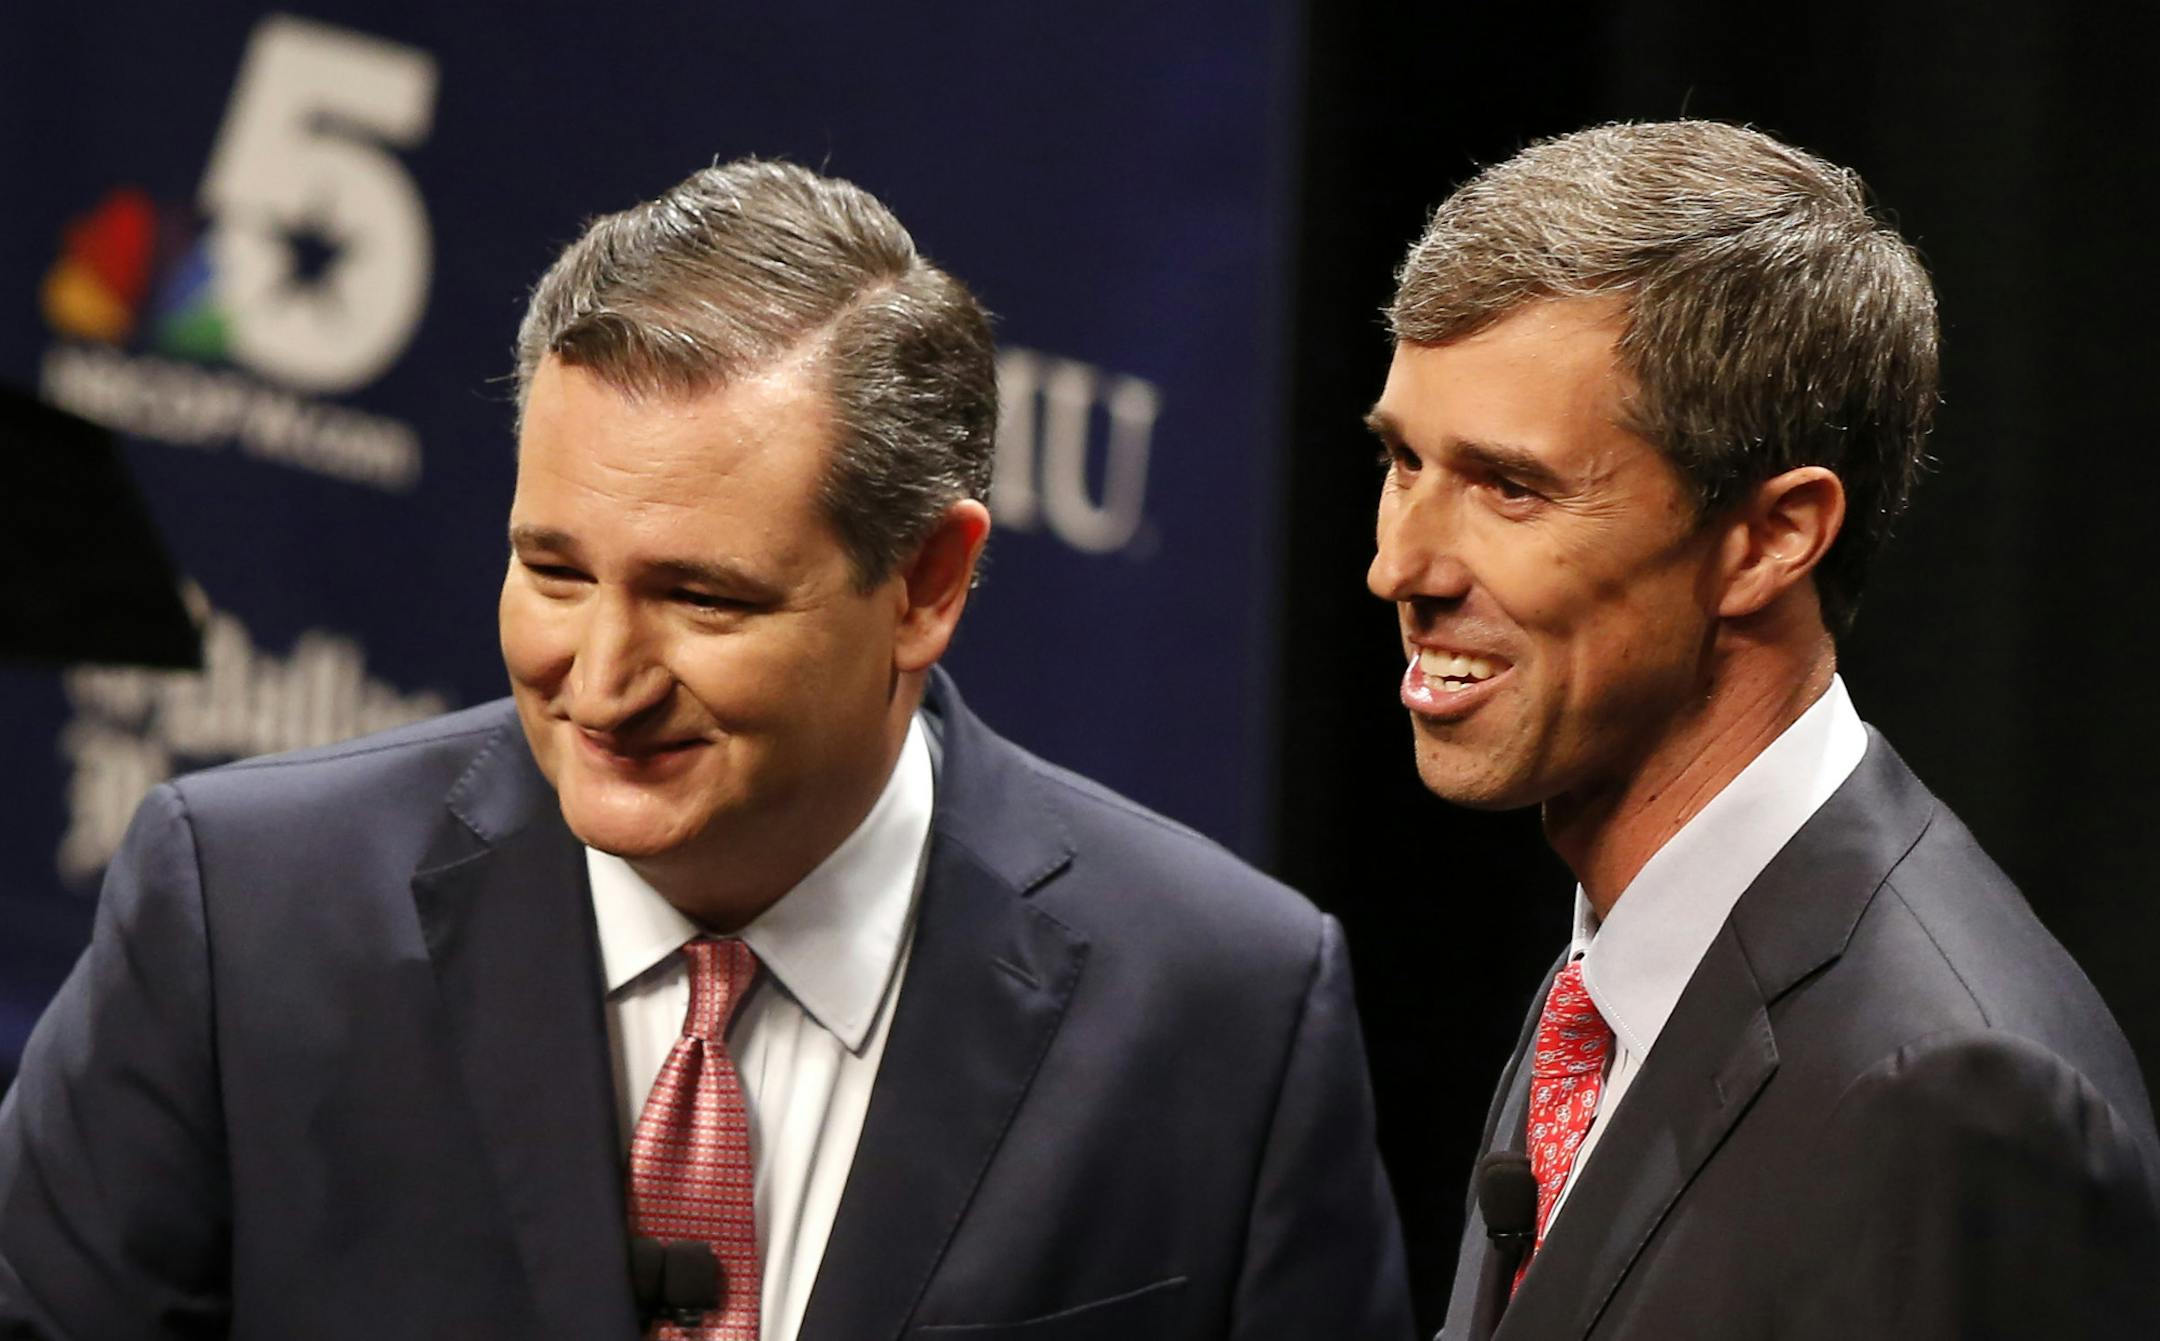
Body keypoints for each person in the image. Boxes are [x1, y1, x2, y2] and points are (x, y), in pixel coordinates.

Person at [0, 159, 1413, 1341]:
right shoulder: (241, 917)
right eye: (554, 572)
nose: (600, 681)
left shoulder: (1225, 1009)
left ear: (925, 584)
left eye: (702, 597)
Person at [1363, 121, 2160, 1340]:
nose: (1400, 564)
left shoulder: (1951, 1094)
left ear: (1774, 537)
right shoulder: (1626, 964)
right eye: (1405, 462)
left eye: (1509, 487)